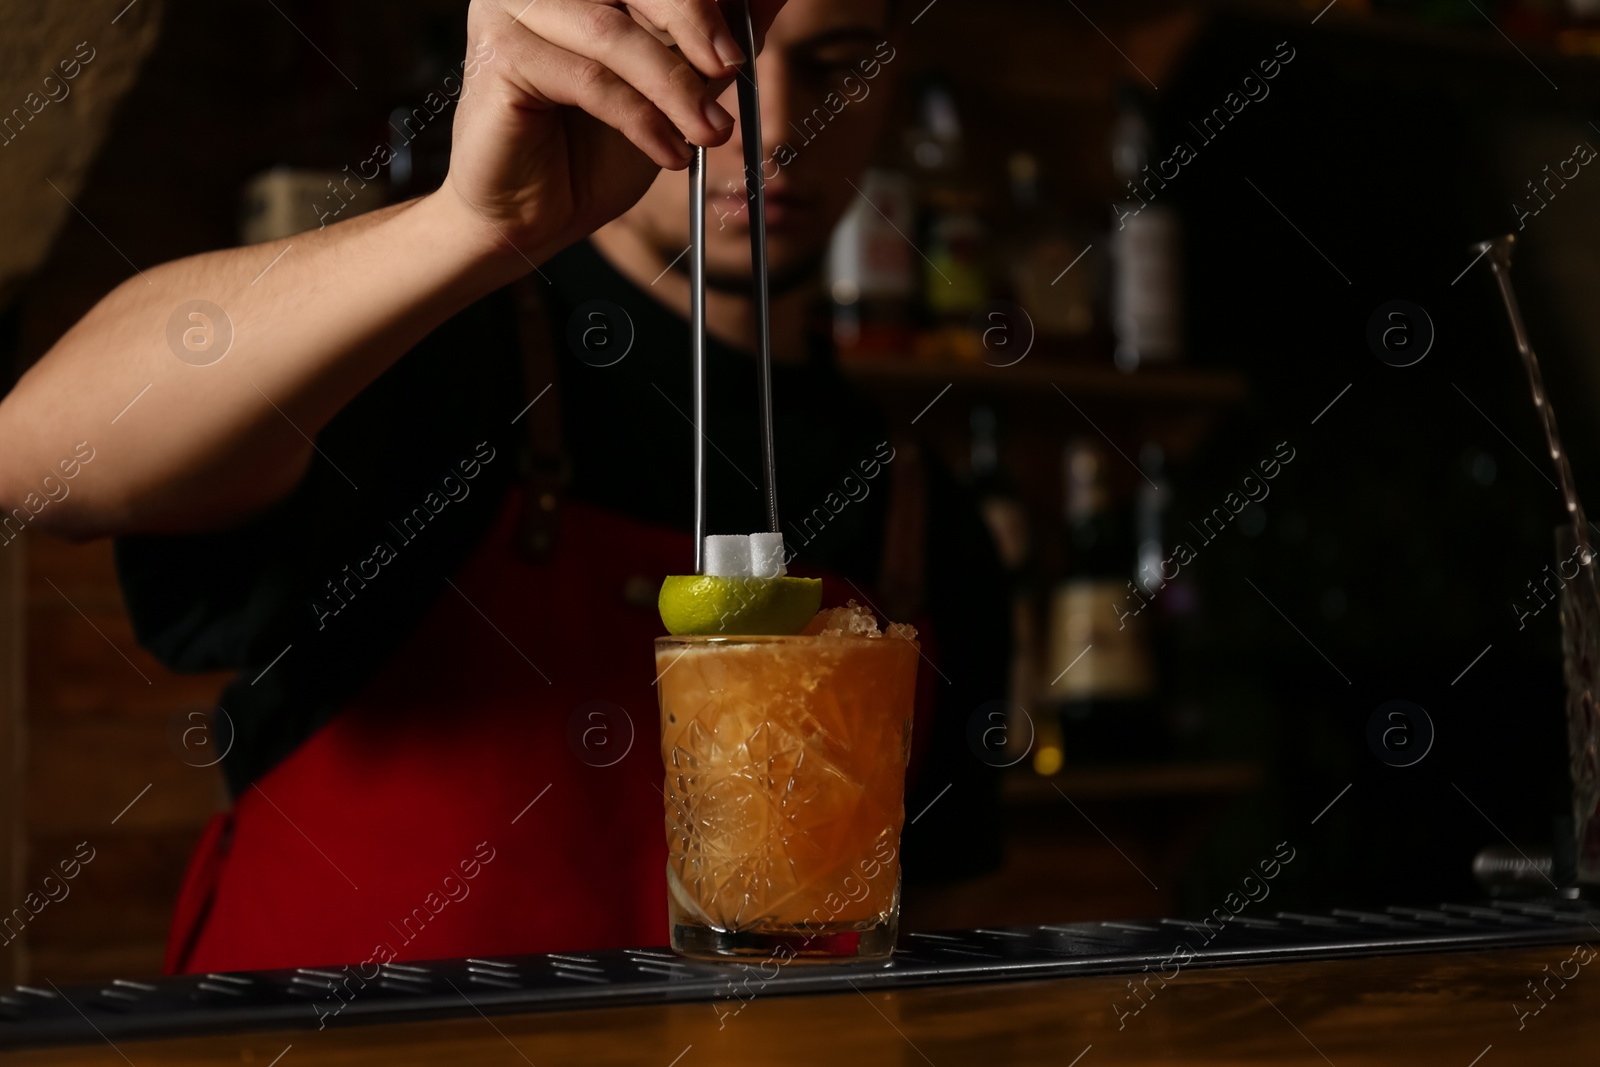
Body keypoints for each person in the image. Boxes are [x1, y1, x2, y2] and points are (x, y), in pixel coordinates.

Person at [0, 0, 1008, 973]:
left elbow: (934, 942)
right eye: (713, 61)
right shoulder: (430, 354)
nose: (776, 126)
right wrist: (466, 228)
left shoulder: (930, 515)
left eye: (837, 65)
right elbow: (36, 458)